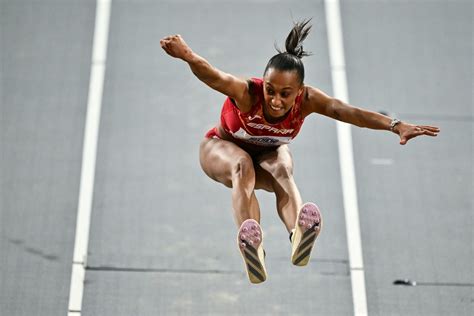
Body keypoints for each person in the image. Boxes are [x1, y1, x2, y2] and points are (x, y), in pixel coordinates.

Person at [160, 20, 440, 284]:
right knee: (242, 164)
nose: (275, 100)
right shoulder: (248, 93)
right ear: (264, 84)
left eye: (285, 94)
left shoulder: (308, 101)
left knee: (282, 166)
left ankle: (298, 235)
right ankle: (252, 245)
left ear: (299, 91)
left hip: (267, 155)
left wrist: (395, 125)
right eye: (271, 90)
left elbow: (348, 112)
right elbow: (214, 76)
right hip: (220, 149)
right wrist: (188, 55)